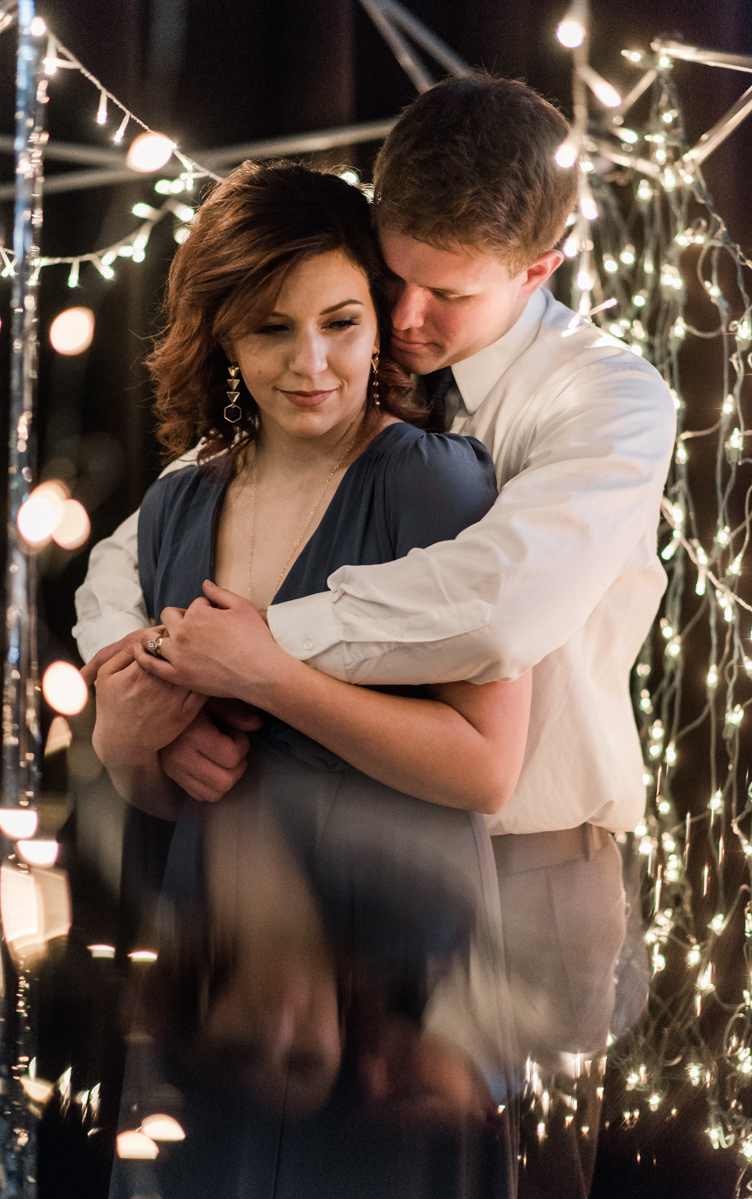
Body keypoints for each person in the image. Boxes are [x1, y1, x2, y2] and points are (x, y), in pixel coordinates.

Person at [76, 72, 676, 1197]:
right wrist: (140, 702)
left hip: (531, 871)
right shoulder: (323, 374)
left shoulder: (602, 398)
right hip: (307, 885)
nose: (403, 322)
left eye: (444, 294)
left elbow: (497, 608)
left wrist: (251, 654)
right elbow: (126, 566)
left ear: (538, 268)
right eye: (389, 278)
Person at [97, 159, 527, 1199]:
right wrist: (130, 741)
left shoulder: (433, 482)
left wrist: (272, 676)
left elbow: (487, 769)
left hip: (400, 1016)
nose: (312, 363)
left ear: (381, 324)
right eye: (269, 329)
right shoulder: (177, 507)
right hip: (217, 1001)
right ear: (221, 339)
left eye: (340, 321)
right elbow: (160, 793)